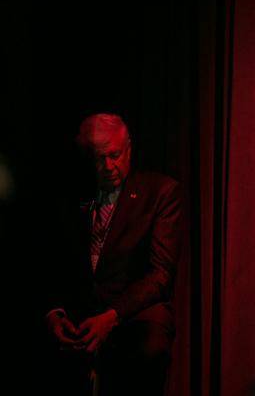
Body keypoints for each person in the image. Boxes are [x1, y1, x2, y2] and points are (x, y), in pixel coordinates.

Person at [42, 114, 181, 395]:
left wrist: (113, 316)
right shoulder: (70, 194)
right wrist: (54, 312)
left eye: (115, 155)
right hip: (82, 310)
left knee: (150, 351)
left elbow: (160, 276)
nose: (108, 166)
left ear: (129, 149)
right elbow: (57, 262)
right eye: (99, 158)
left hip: (134, 310)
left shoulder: (160, 192)